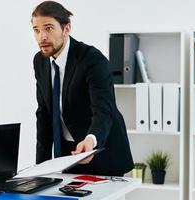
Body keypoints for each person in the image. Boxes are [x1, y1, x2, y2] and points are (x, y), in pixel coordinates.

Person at [32, 1, 133, 176]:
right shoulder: (40, 61)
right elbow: (44, 115)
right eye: (37, 30)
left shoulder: (92, 60)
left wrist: (91, 140)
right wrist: (40, 169)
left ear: (66, 29)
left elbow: (103, 109)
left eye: (48, 28)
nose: (42, 37)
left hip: (101, 152)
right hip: (68, 156)